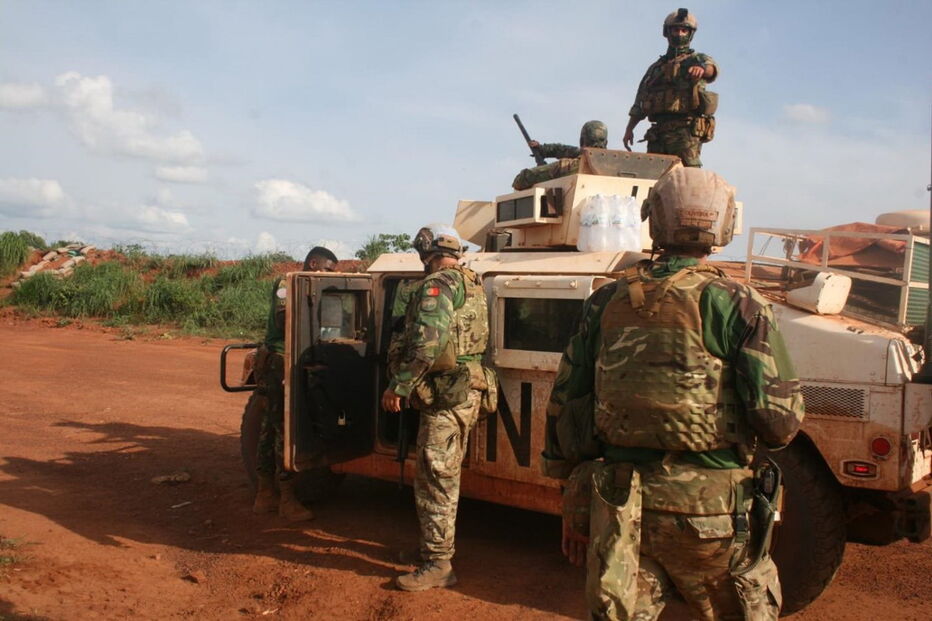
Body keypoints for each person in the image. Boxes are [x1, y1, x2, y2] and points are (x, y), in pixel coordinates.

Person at [544, 166, 805, 620]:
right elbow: (778, 424)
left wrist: (574, 500)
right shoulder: (740, 303)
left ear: (655, 219)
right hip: (711, 517)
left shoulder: (603, 301)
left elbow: (567, 405)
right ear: (724, 223)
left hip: (620, 508)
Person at [381, 224, 491, 592]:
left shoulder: (439, 284)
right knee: (441, 474)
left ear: (426, 254)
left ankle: (439, 563)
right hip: (465, 389)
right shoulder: (471, 282)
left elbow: (428, 344)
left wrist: (399, 386)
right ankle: (431, 548)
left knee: (435, 480)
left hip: (447, 395)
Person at [252, 246, 338, 520]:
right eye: (327, 269)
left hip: (286, 359)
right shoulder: (288, 283)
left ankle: (265, 494)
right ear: (313, 264)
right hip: (280, 361)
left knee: (271, 427)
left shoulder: (308, 286)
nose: (328, 275)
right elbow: (283, 318)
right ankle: (285, 498)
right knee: (284, 430)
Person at [622, 9, 718, 167]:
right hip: (658, 133)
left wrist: (701, 69)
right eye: (676, 30)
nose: (679, 34)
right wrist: (629, 129)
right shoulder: (655, 69)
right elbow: (640, 102)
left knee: (687, 175)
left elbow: (712, 69)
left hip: (685, 132)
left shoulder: (697, 59)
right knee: (653, 175)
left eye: (684, 30)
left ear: (690, 34)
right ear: (667, 32)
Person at [512, 120, 608, 190]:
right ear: (606, 143)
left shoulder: (566, 167)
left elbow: (520, 181)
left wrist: (541, 169)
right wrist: (542, 149)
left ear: (581, 141)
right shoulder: (613, 165)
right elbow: (566, 150)